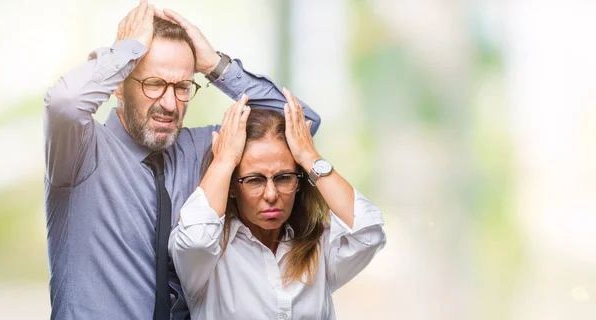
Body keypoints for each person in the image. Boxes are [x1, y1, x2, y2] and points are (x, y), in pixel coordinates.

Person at [43, 1, 320, 319]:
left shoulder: (205, 149)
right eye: (155, 84)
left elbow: (300, 123)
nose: (170, 103)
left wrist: (215, 66)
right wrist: (126, 51)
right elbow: (64, 102)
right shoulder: (78, 150)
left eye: (182, 87)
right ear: (119, 84)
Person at [169, 95, 386, 319]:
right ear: (232, 187)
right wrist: (223, 161)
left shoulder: (319, 246)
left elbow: (368, 232)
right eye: (254, 180)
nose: (271, 195)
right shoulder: (210, 253)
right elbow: (195, 241)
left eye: (283, 178)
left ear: (300, 180)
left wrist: (309, 156)